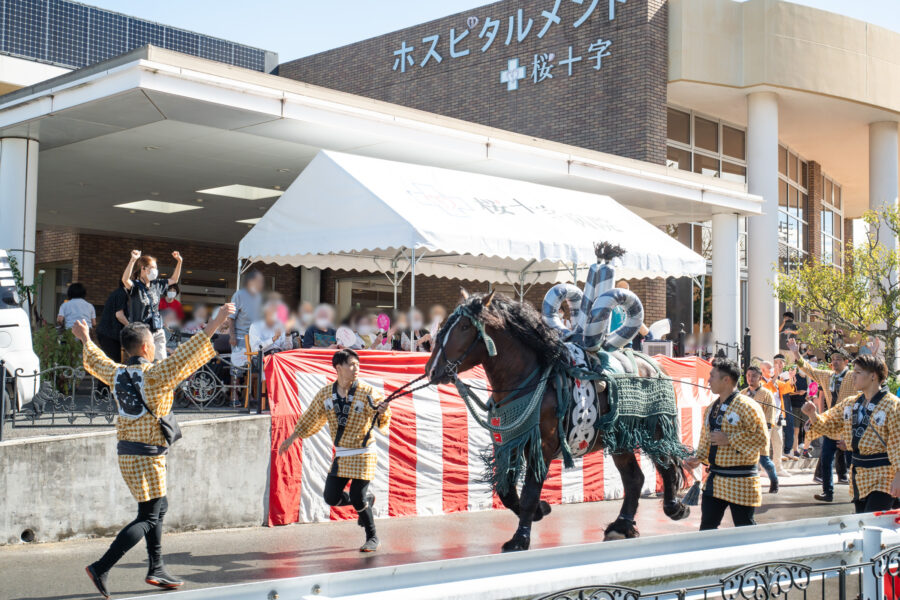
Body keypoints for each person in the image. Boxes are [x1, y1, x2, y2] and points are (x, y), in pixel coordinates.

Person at [74, 303, 234, 598]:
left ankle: (156, 567)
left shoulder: (117, 373)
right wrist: (216, 322)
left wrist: (85, 338)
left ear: (126, 350)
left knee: (157, 509)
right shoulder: (157, 375)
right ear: (148, 347)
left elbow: (95, 360)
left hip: (128, 453)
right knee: (149, 515)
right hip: (148, 454)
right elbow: (189, 353)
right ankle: (102, 566)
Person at [278, 349, 391, 552]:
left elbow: (379, 415)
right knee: (331, 497)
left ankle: (372, 536)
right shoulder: (325, 394)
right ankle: (367, 501)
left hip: (364, 452)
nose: (356, 368)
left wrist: (382, 411)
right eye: (351, 364)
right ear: (338, 368)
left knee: (356, 496)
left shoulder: (367, 392)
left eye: (357, 364)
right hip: (342, 453)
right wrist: (292, 437)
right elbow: (311, 417)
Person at [803, 354, 900, 513]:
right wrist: (813, 415)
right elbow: (829, 423)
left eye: (858, 372)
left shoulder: (893, 405)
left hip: (884, 475)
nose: (853, 376)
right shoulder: (851, 403)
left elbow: (898, 443)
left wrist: (899, 475)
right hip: (859, 474)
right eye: (853, 371)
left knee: (872, 522)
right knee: (862, 524)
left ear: (873, 376)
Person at [684, 358, 768, 530]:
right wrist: (698, 458)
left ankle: (755, 557)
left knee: (744, 527)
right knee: (707, 527)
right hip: (716, 480)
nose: (708, 380)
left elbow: (762, 439)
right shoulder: (710, 408)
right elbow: (705, 437)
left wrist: (729, 439)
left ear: (726, 380)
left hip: (742, 480)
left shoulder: (748, 406)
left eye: (712, 376)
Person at [788, 339, 855, 502]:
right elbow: (809, 370)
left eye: (839, 359)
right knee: (825, 458)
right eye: (833, 360)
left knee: (854, 463)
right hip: (831, 423)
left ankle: (858, 494)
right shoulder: (827, 376)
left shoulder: (854, 376)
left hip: (849, 424)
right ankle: (828, 492)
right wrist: (796, 353)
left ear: (846, 362)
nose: (835, 362)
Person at [122, 250, 183, 361]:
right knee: (143, 363)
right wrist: (133, 260)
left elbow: (174, 279)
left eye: (155, 267)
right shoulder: (136, 286)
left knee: (160, 363)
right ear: (143, 269)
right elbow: (125, 279)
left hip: (157, 330)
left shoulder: (157, 284)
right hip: (142, 333)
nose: (155, 270)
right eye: (152, 267)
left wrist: (179, 261)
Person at [742, 365, 779, 493]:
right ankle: (748, 485)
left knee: (764, 460)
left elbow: (770, 413)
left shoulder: (766, 394)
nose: (750, 378)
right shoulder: (742, 393)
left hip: (761, 431)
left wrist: (767, 428)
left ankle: (774, 480)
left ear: (760, 378)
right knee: (745, 460)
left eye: (754, 376)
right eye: (748, 376)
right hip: (745, 432)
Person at [228, 270, 264, 368]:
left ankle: (252, 383)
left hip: (255, 338)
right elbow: (231, 318)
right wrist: (232, 336)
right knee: (238, 368)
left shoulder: (259, 297)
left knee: (255, 368)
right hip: (240, 338)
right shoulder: (239, 295)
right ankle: (235, 383)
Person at [759, 360, 789, 475]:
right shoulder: (761, 382)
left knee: (778, 443)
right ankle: (764, 469)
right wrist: (775, 376)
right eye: (769, 368)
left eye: (772, 368)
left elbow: (787, 388)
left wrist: (790, 378)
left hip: (778, 417)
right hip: (766, 418)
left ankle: (778, 468)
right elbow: (766, 389)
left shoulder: (776, 382)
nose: (772, 370)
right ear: (763, 370)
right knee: (765, 444)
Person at [95, 283, 129, 361]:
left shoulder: (118, 293)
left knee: (111, 361)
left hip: (107, 333)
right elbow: (119, 315)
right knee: (113, 362)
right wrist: (130, 326)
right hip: (110, 334)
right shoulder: (122, 294)